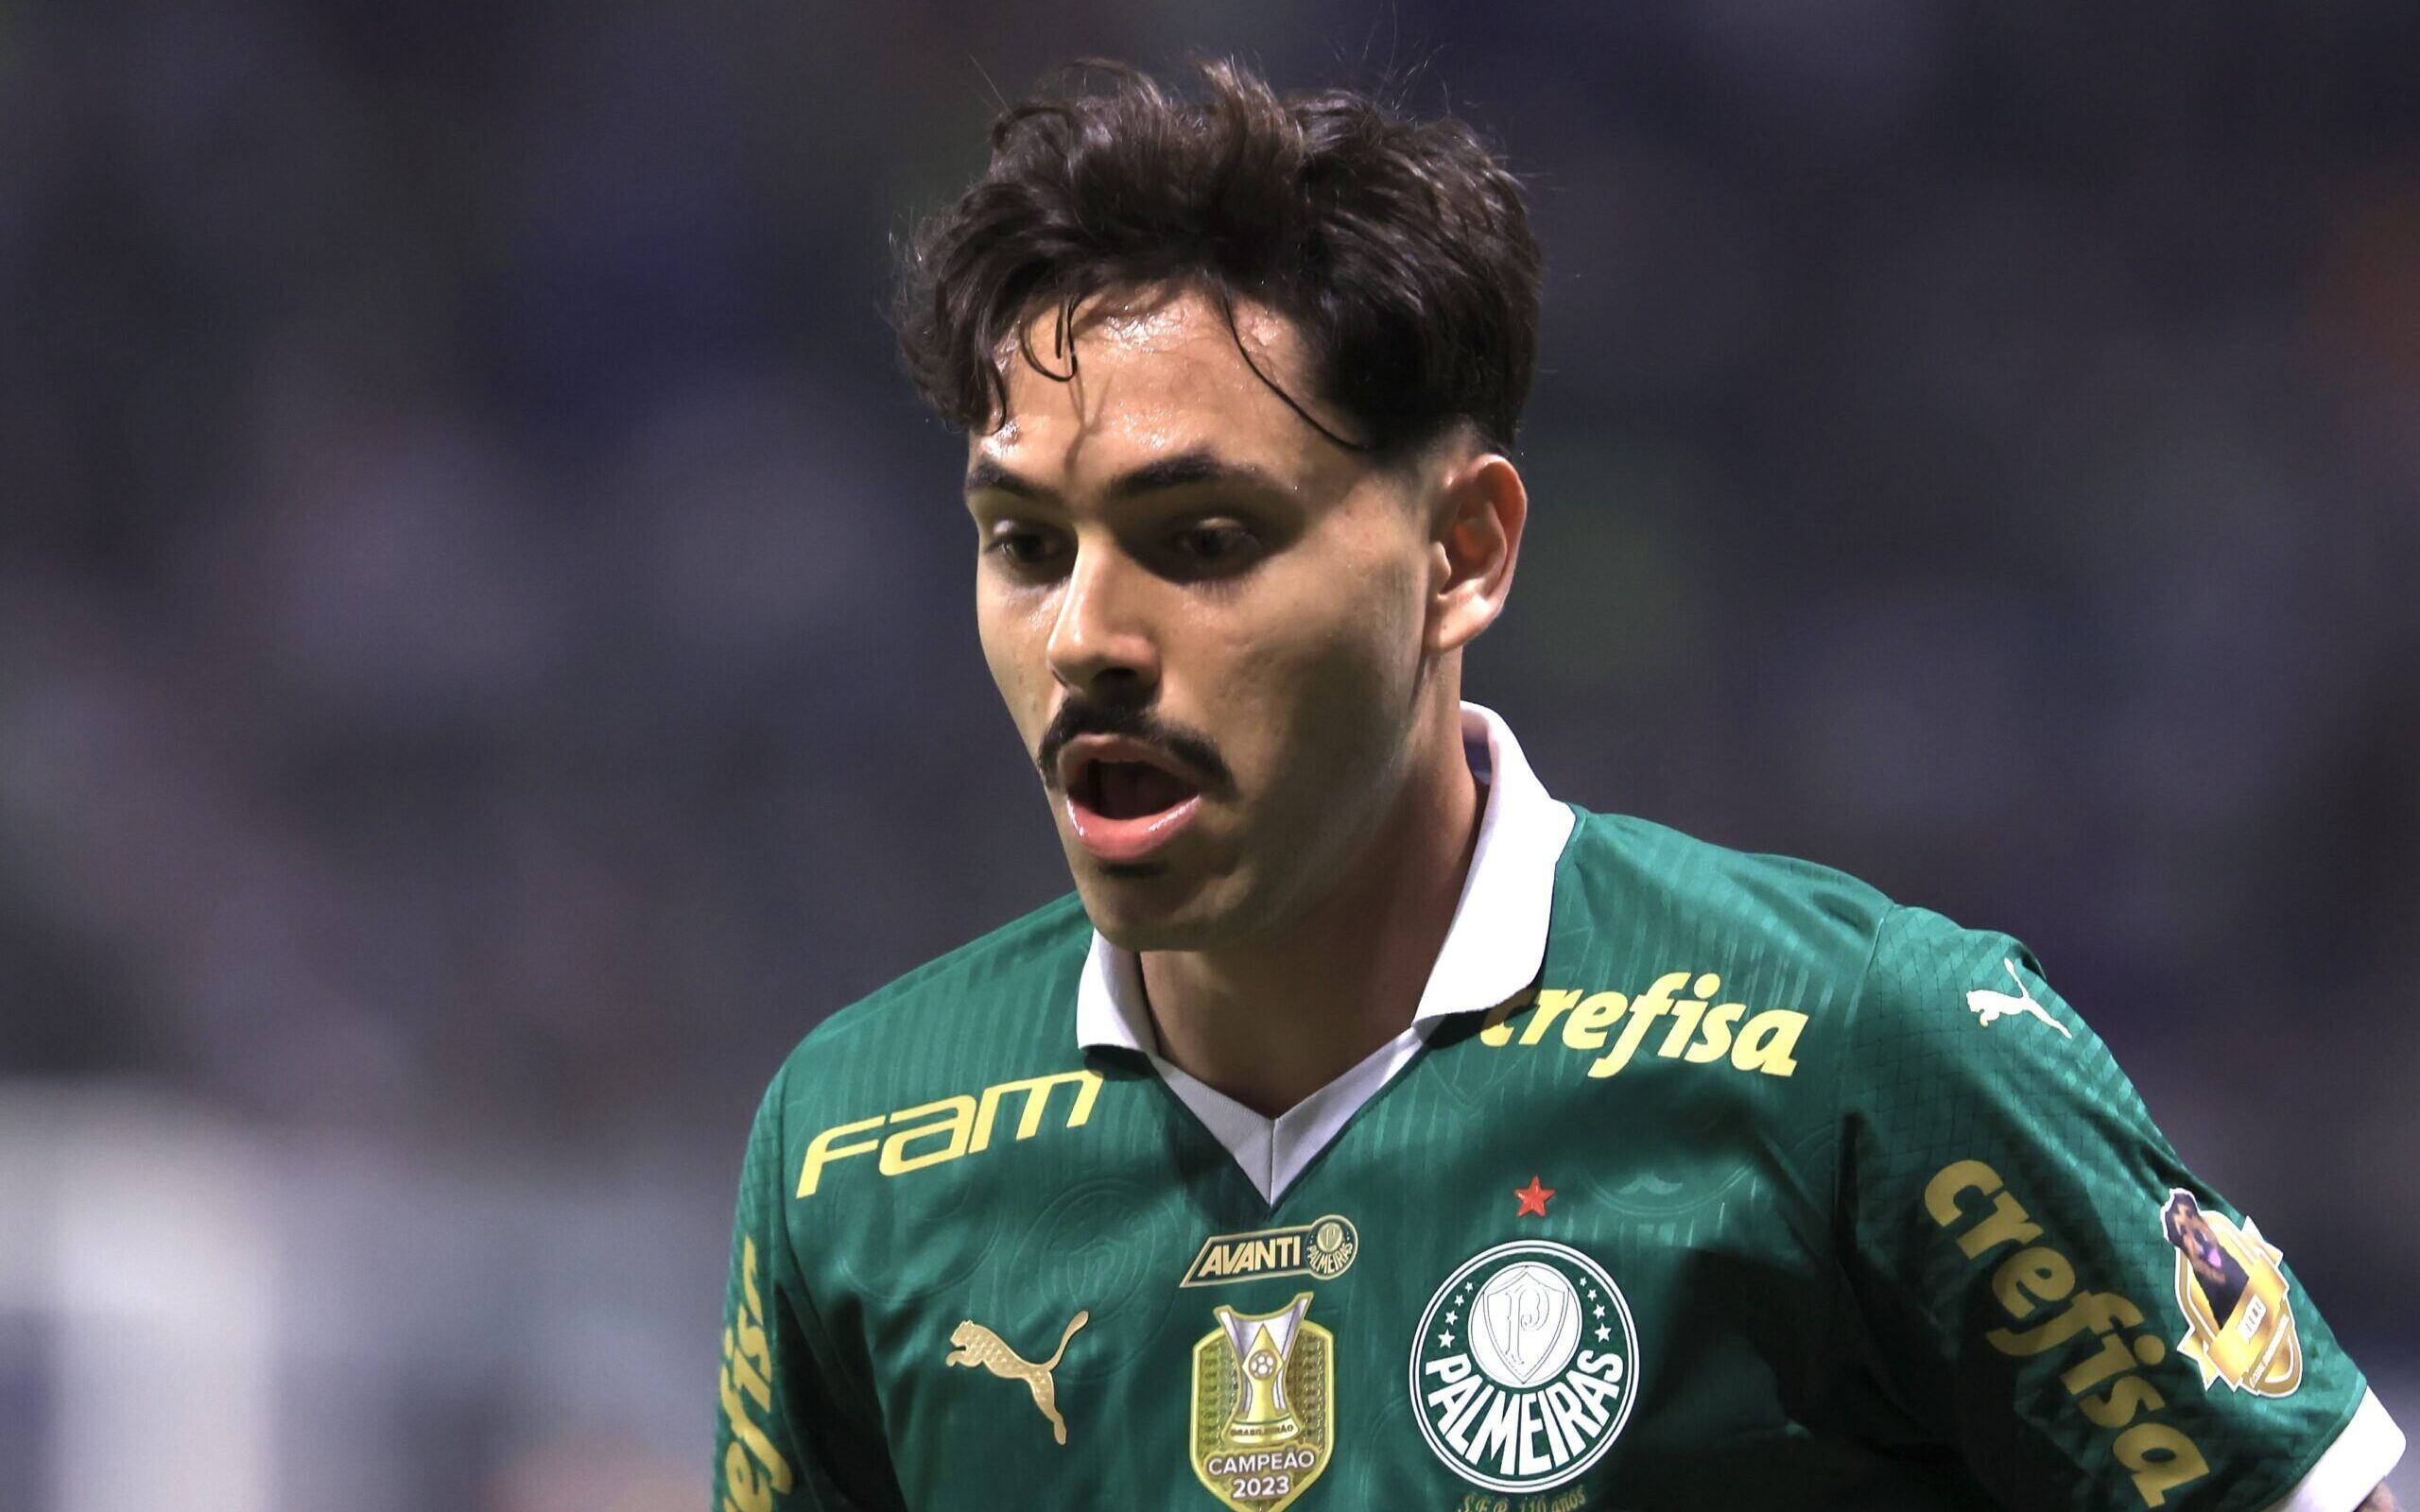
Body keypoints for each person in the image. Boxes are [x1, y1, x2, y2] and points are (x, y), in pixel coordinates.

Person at [712, 59, 2403, 1511]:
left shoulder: (1861, 1060)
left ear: (1462, 553)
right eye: (1024, 546)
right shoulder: (852, 1155)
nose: (1086, 636)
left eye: (1203, 539)